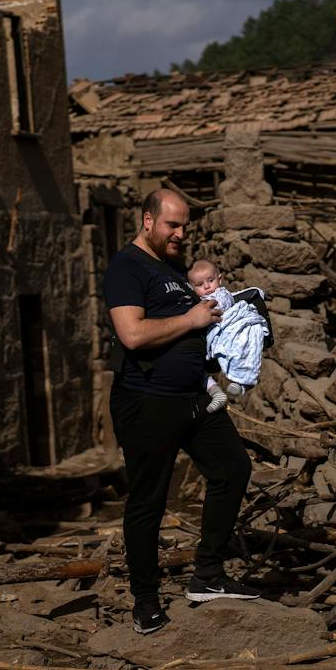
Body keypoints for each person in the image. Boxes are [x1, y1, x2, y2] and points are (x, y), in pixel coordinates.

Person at [103, 189, 258, 634]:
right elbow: (132, 335)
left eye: (185, 225)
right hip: (146, 400)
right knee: (150, 500)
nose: (181, 233)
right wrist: (192, 321)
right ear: (148, 220)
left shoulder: (173, 269)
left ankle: (207, 575)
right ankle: (146, 601)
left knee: (232, 468)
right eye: (172, 225)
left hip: (194, 398)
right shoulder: (126, 266)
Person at [186, 259, 270, 412]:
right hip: (213, 334)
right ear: (192, 288)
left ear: (219, 279)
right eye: (199, 285)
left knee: (243, 346)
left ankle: (241, 382)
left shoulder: (218, 295)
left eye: (210, 281)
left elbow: (226, 302)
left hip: (228, 326)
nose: (207, 286)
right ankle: (218, 390)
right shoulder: (198, 301)